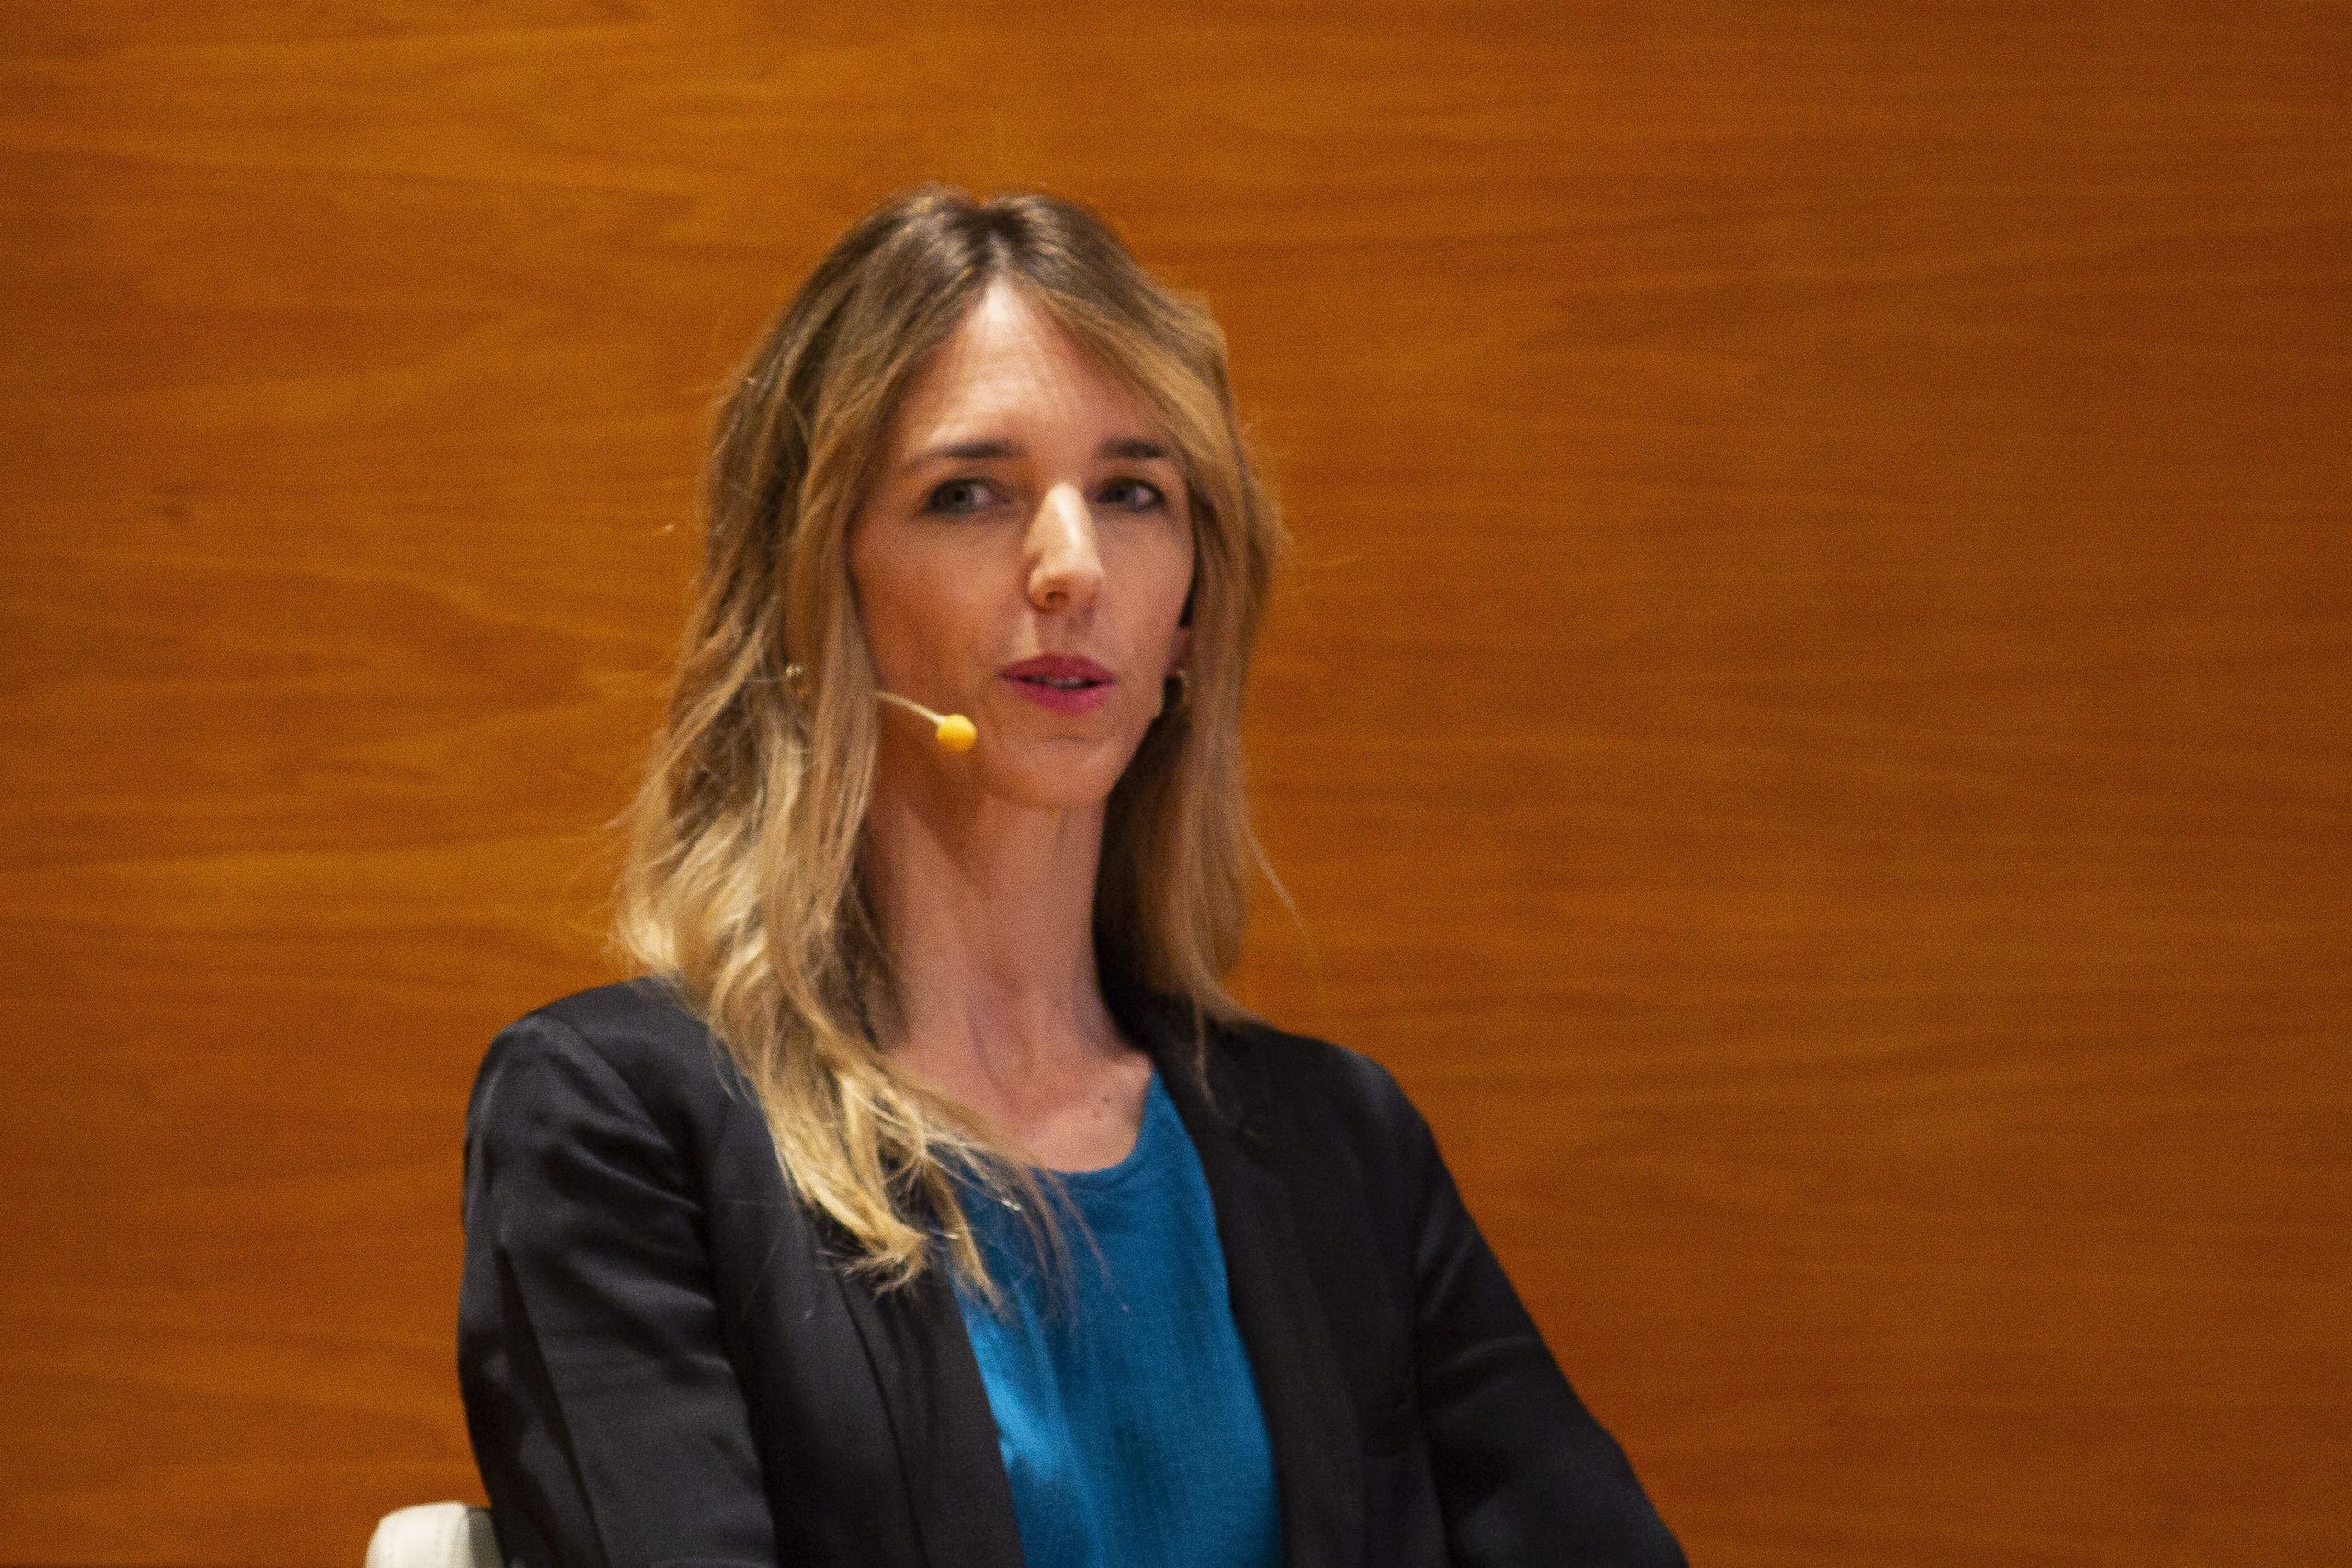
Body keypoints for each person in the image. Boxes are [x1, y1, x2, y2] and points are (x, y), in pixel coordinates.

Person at [456, 184, 1684, 1568]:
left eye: (1132, 494)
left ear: (1189, 616)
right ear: (811, 588)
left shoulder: (1342, 1145)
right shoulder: (622, 1121)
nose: (1072, 566)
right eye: (968, 495)